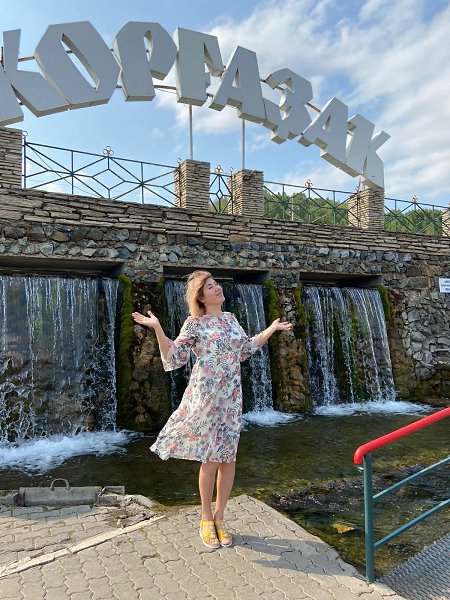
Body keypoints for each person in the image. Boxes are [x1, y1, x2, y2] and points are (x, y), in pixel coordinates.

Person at [131, 270, 293, 549]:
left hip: (231, 398)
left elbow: (245, 349)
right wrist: (157, 328)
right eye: (210, 286)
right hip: (207, 398)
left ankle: (220, 517)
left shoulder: (230, 319)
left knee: (228, 458)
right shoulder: (194, 323)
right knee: (211, 459)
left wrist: (272, 328)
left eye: (216, 283)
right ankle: (206, 518)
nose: (217, 288)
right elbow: (176, 356)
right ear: (201, 297)